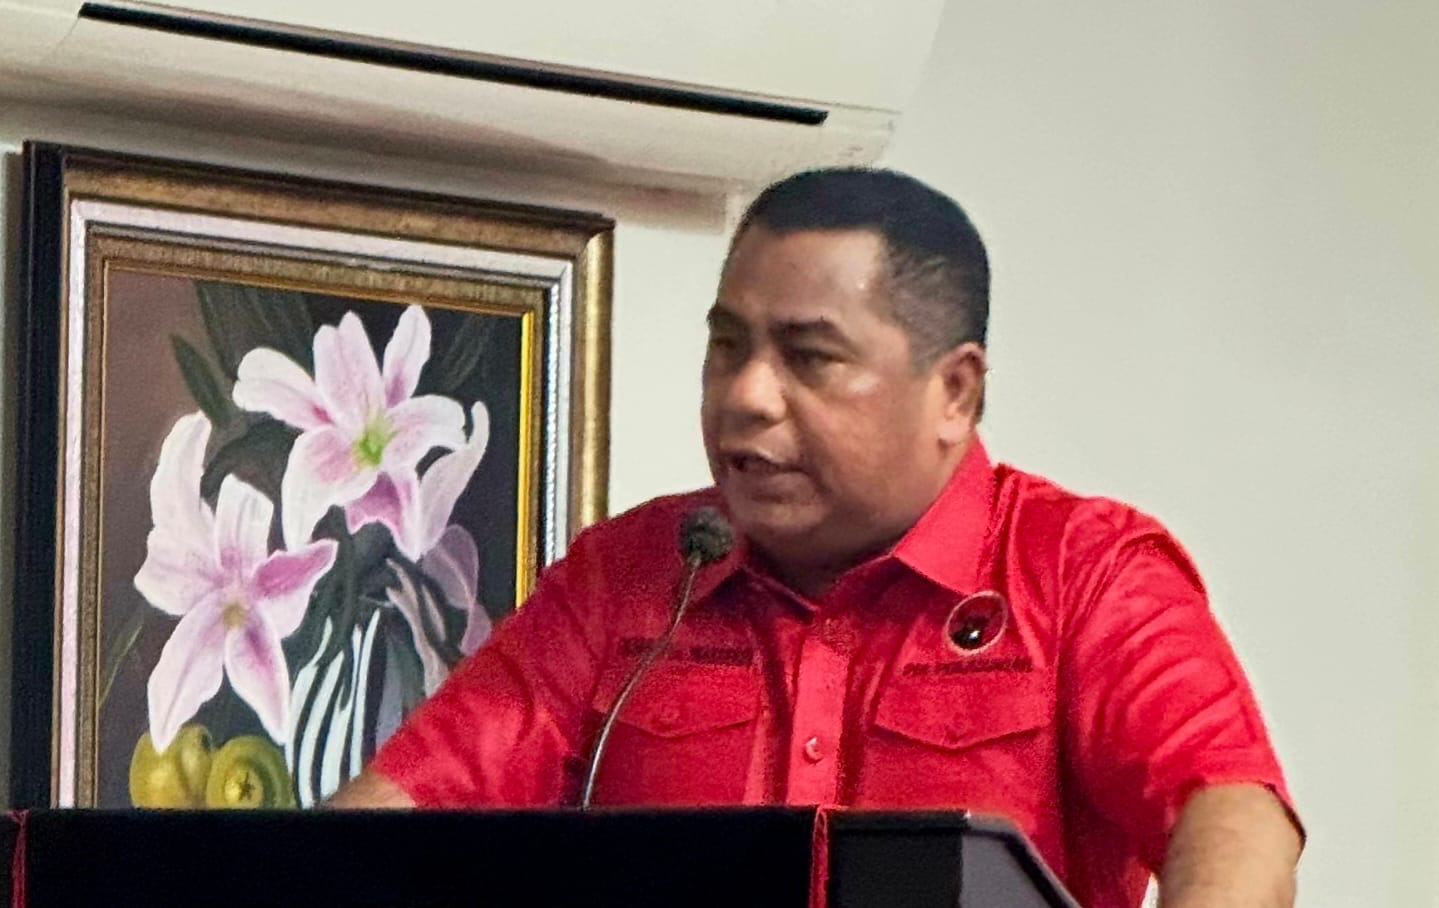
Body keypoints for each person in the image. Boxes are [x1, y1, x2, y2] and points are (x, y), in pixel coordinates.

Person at [328, 168, 1304, 907]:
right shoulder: (631, 576)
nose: (747, 395)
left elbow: (1229, 811)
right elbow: (396, 815)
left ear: (954, 392)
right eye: (727, 347)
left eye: (810, 357)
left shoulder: (1082, 570)